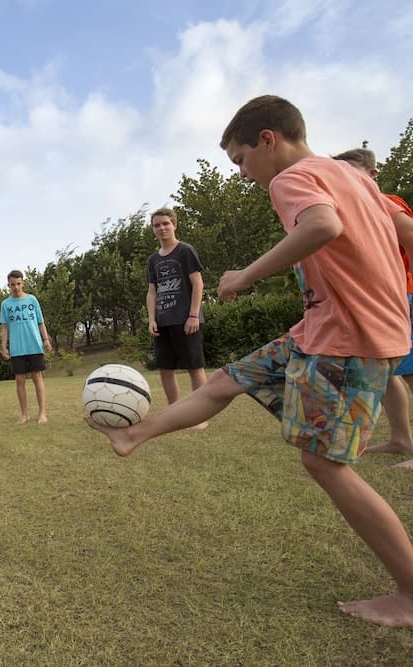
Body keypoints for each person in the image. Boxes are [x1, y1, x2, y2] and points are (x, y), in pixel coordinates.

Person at [87, 95, 413, 628]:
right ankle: (133, 435)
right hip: (328, 326)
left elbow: (323, 227)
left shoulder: (293, 177)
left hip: (346, 336)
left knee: (324, 463)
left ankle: (410, 593)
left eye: (240, 161)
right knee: (226, 380)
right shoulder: (353, 175)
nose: (241, 175)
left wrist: (244, 276)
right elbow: (401, 234)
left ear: (268, 139)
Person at [332, 148, 413, 470]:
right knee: (391, 371)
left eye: (352, 172)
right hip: (383, 301)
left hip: (404, 296)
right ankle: (401, 438)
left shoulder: (383, 203)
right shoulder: (356, 210)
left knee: (410, 373)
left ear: (372, 174)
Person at [146, 208, 208, 428]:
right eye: (157, 225)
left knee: (194, 367)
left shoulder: (185, 251)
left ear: (174, 225)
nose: (161, 228)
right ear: (153, 229)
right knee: (165, 369)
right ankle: (175, 412)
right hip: (163, 321)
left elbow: (198, 283)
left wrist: (193, 315)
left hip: (186, 319)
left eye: (165, 223)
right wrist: (152, 318)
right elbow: (152, 291)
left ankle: (200, 416)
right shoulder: (153, 260)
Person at [0, 270, 53, 423]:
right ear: (8, 285)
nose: (16, 287)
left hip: (34, 345)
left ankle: (42, 414)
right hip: (17, 348)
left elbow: (40, 322)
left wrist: (46, 339)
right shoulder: (5, 304)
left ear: (23, 283)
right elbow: (4, 327)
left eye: (18, 283)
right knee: (20, 380)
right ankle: (24, 415)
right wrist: (4, 346)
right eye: (12, 284)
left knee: (37, 377)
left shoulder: (32, 300)